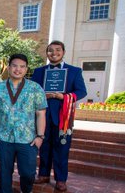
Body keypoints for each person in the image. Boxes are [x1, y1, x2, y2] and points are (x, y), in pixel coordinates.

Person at [0, 54, 47, 193]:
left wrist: (40, 137)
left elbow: (41, 114)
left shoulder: (35, 88)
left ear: (26, 69)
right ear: (8, 67)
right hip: (4, 138)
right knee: (5, 175)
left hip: (28, 139)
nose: (17, 69)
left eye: (22, 66)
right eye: (14, 65)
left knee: (28, 174)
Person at [31, 41, 87, 192]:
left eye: (57, 50)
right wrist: (44, 95)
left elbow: (81, 91)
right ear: (47, 53)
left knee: (62, 148)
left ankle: (61, 179)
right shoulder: (38, 71)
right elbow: (32, 92)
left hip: (63, 117)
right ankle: (43, 174)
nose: (53, 53)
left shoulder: (74, 71)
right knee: (43, 146)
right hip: (42, 116)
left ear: (63, 52)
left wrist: (64, 97)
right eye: (50, 50)